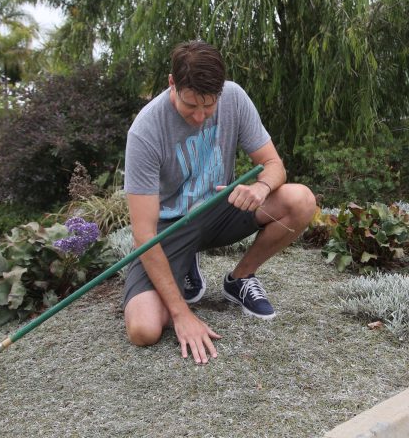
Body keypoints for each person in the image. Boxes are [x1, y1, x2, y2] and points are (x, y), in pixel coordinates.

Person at [123, 40, 316, 364]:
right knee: (144, 329)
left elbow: (274, 165)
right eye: (190, 105)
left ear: (220, 92)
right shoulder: (145, 131)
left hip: (221, 210)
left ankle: (239, 279)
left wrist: (261, 188)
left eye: (209, 106)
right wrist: (181, 314)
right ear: (172, 83)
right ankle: (184, 263)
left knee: (301, 200)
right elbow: (144, 234)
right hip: (170, 228)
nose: (200, 116)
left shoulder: (234, 97)